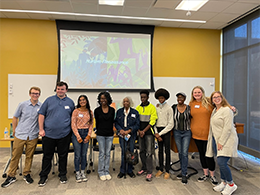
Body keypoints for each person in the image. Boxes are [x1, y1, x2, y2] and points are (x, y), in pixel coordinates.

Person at [1, 87, 42, 188]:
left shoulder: (41, 106)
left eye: (37, 94)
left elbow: (41, 119)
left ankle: (26, 173)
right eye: (33, 93)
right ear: (29, 94)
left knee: (29, 156)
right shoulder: (22, 105)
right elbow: (15, 117)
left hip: (33, 135)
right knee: (15, 156)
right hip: (20, 134)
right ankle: (11, 175)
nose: (35, 95)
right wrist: (14, 130)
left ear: (39, 95)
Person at [38, 81, 74, 186]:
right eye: (58, 89)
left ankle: (62, 174)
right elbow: (41, 115)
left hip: (65, 134)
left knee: (63, 156)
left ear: (66, 90)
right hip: (48, 134)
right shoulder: (49, 100)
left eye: (62, 89)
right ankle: (43, 176)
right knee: (47, 156)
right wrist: (41, 129)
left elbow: (73, 118)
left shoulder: (70, 102)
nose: (60, 91)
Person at [206, 91, 238, 195]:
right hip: (216, 140)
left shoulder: (226, 110)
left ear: (222, 97)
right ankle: (224, 182)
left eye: (218, 97)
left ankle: (231, 185)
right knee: (220, 161)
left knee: (222, 162)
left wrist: (221, 142)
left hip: (226, 140)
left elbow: (227, 128)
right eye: (214, 97)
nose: (216, 99)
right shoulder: (215, 110)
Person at [189, 86, 218, 186]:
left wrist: (230, 108)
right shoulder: (191, 104)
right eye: (195, 92)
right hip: (196, 134)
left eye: (199, 92)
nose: (197, 94)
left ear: (202, 92)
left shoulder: (209, 102)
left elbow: (220, 107)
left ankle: (212, 175)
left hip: (208, 134)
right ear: (192, 94)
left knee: (209, 155)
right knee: (201, 154)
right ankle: (205, 174)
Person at [115, 97, 140, 179]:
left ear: (130, 102)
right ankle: (122, 171)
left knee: (131, 153)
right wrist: (120, 130)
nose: (126, 103)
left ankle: (130, 170)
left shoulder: (135, 112)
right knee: (123, 152)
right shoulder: (119, 112)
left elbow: (137, 124)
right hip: (122, 134)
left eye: (127, 101)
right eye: (124, 101)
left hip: (131, 135)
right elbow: (116, 123)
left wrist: (129, 130)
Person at [136, 90, 158, 182]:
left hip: (149, 133)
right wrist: (139, 131)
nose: (143, 99)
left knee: (149, 153)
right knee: (142, 151)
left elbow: (152, 121)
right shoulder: (138, 108)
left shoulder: (152, 107)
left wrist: (143, 131)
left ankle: (149, 171)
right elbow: (136, 121)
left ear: (148, 97)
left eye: (144, 97)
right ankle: (144, 168)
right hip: (140, 133)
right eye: (141, 97)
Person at [71, 95, 93, 182]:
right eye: (80, 100)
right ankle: (77, 172)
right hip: (77, 133)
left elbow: (91, 124)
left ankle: (83, 172)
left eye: (83, 100)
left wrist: (88, 135)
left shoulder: (90, 111)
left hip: (86, 133)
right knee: (77, 155)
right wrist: (78, 136)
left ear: (86, 101)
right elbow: (73, 124)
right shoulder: (75, 111)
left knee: (84, 154)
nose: (82, 101)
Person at [94, 91, 115, 181]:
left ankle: (106, 171)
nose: (103, 100)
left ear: (108, 99)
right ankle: (101, 171)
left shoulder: (112, 110)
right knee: (102, 154)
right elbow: (97, 123)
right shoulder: (97, 110)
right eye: (101, 98)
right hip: (100, 135)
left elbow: (112, 122)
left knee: (108, 154)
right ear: (99, 100)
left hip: (110, 134)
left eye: (105, 98)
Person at [172, 92, 192, 184]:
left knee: (184, 153)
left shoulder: (189, 108)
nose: (180, 99)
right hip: (177, 132)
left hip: (187, 132)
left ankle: (184, 173)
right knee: (180, 152)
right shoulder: (173, 107)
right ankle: (182, 169)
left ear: (185, 98)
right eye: (178, 97)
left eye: (182, 97)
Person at [154, 88, 173, 180]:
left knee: (167, 151)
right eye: (159, 98)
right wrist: (156, 133)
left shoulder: (169, 108)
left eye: (162, 98)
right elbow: (153, 121)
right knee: (160, 151)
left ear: (165, 98)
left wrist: (160, 134)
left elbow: (171, 124)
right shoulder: (156, 107)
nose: (161, 100)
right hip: (158, 131)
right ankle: (161, 168)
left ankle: (168, 170)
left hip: (166, 131)